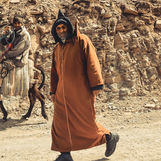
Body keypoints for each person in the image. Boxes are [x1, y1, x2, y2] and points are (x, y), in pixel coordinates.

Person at [50, 10, 119, 161]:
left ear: (69, 27)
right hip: (62, 94)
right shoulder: (57, 48)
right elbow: (54, 72)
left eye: (63, 27)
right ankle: (65, 153)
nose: (61, 30)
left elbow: (92, 63)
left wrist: (96, 86)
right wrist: (53, 91)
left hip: (80, 92)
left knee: (85, 123)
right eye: (58, 28)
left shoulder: (82, 41)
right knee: (60, 124)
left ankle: (108, 137)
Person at [0, 16, 31, 101]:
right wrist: (5, 34)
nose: (17, 25)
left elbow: (17, 50)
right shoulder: (15, 32)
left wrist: (5, 56)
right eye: (15, 23)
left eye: (19, 23)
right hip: (14, 56)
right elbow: (4, 42)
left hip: (19, 58)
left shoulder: (24, 35)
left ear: (22, 23)